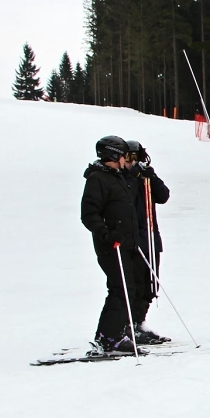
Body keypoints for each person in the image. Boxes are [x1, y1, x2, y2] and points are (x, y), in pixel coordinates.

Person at [80, 135, 142, 354]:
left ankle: (110, 335)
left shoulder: (117, 177)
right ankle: (109, 338)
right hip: (111, 245)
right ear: (114, 156)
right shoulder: (97, 179)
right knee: (121, 289)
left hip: (126, 244)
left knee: (126, 289)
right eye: (125, 155)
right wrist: (106, 233)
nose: (127, 160)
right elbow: (89, 214)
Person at [124, 139, 171, 344]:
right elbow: (126, 198)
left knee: (150, 284)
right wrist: (133, 177)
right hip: (132, 240)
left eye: (136, 158)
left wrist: (152, 177)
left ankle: (140, 322)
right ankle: (128, 324)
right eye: (129, 158)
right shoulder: (122, 178)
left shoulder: (145, 176)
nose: (133, 162)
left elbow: (163, 196)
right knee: (134, 284)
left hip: (150, 237)